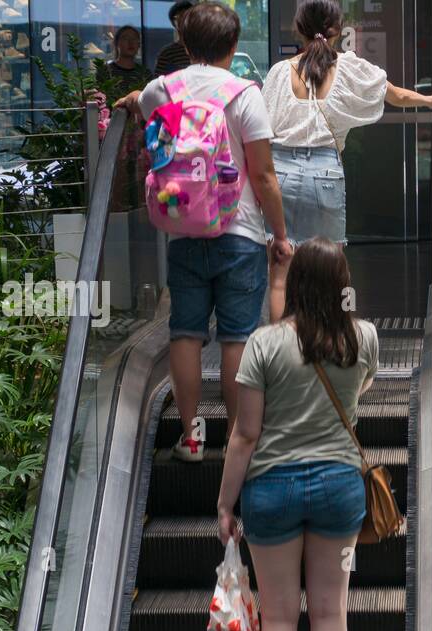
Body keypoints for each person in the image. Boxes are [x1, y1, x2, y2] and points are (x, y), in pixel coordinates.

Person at [215, 238, 379, 631]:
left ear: (296, 284)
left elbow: (245, 434)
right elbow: (358, 391)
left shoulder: (262, 345)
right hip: (338, 488)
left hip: (271, 491)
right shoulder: (363, 339)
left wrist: (224, 504)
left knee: (281, 620)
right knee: (331, 615)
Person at [116, 2, 293, 461]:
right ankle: (237, 440)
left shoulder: (160, 90)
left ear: (185, 44)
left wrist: (132, 98)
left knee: (186, 334)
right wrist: (280, 233)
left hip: (182, 232)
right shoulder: (243, 94)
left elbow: (145, 105)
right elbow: (264, 176)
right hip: (241, 232)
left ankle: (191, 437)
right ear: (233, 46)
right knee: (237, 338)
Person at [260, 0, 432, 320]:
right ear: (337, 30)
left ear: (299, 29)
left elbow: (263, 129)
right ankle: (327, 348)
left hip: (280, 173)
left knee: (281, 273)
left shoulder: (279, 74)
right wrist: (429, 99)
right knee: (330, 271)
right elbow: (393, 93)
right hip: (325, 172)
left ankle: (280, 353)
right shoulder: (348, 68)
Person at [154, 0, 195, 76]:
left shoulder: (204, 50)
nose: (184, 21)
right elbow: (158, 82)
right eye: (180, 17)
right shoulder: (167, 53)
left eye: (188, 16)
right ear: (173, 23)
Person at [106, 25, 148, 92]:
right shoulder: (106, 71)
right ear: (117, 43)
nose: (131, 42)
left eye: (134, 39)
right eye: (125, 38)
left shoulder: (145, 74)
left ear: (139, 44)